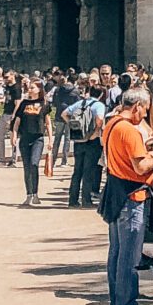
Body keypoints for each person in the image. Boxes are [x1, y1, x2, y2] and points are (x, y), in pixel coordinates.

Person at [101, 88, 153, 305]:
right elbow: (141, 167)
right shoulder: (129, 130)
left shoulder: (111, 124)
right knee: (129, 256)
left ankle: (117, 303)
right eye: (145, 109)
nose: (145, 114)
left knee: (117, 252)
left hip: (115, 193)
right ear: (136, 107)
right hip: (131, 196)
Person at [12, 78, 51, 206]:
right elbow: (17, 121)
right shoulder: (24, 103)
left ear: (39, 89)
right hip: (25, 139)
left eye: (33, 87)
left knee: (34, 164)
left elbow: (48, 122)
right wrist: (14, 134)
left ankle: (35, 193)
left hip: (37, 138)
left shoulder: (44, 103)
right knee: (27, 167)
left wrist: (50, 139)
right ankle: (29, 194)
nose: (30, 89)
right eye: (29, 87)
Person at [67, 77, 106, 207]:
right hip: (91, 141)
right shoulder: (99, 105)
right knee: (88, 171)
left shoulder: (80, 103)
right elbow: (99, 120)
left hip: (79, 139)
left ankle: (72, 200)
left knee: (77, 170)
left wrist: (74, 127)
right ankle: (86, 200)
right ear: (101, 94)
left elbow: (64, 113)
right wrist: (95, 134)